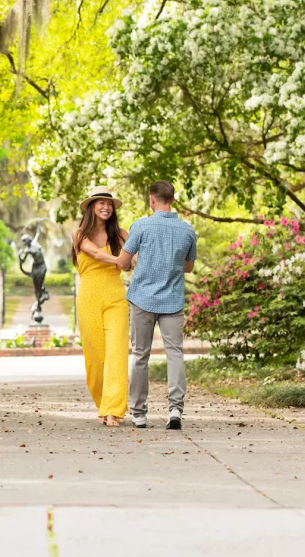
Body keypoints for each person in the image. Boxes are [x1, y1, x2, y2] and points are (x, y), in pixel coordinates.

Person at [116, 180, 197, 430]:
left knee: (141, 355)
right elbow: (188, 267)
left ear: (152, 199)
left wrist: (141, 259)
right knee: (175, 353)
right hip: (172, 300)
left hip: (142, 299)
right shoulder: (187, 231)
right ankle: (175, 409)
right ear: (172, 200)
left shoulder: (140, 226)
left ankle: (139, 413)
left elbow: (122, 262)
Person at [72, 186, 129, 427]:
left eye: (109, 203)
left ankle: (112, 410)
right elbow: (94, 253)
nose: (106, 207)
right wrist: (120, 260)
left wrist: (132, 260)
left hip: (116, 297)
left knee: (116, 353)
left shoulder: (122, 235)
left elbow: (133, 262)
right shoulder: (78, 235)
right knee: (96, 359)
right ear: (91, 207)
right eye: (101, 203)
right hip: (89, 298)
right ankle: (103, 403)